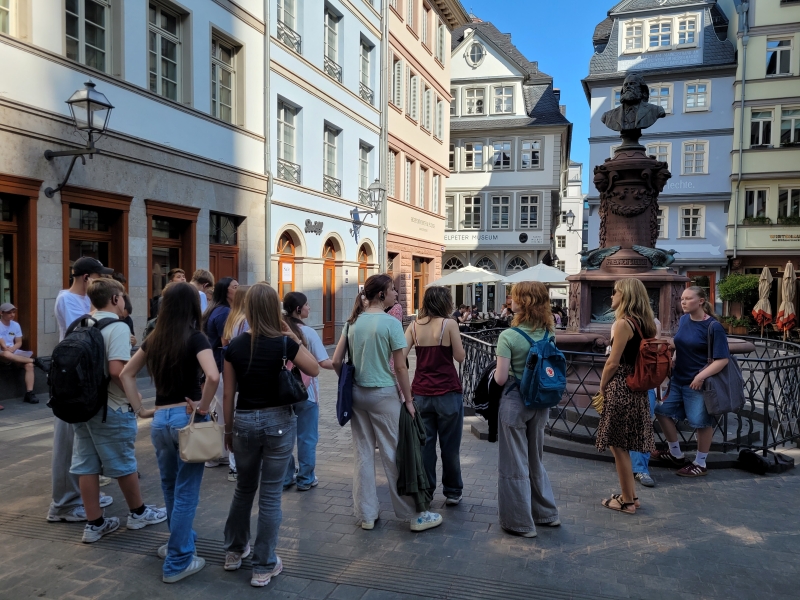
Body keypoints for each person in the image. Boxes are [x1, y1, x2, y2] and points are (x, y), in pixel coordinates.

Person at [120, 282, 219, 583]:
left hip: (160, 419)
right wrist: (203, 405)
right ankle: (178, 560)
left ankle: (179, 541)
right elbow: (213, 375)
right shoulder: (196, 337)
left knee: (170, 485)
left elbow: (126, 374)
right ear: (192, 306)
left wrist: (141, 410)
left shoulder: (154, 338)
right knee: (187, 490)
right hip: (187, 419)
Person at [221, 283, 319, 587]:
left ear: (248, 309)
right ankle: (263, 566)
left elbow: (228, 395)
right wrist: (290, 337)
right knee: (271, 496)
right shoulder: (283, 344)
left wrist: (227, 430)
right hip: (278, 423)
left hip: (245, 422)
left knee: (243, 490)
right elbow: (314, 368)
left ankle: (234, 551)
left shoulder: (234, 347)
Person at [332, 274, 442, 533]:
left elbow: (337, 361)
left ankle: (366, 514)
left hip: (358, 394)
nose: (396, 294)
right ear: (381, 295)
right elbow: (401, 367)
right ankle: (413, 514)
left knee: (363, 453)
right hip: (384, 394)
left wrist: (347, 382)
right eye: (393, 290)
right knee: (395, 453)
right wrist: (409, 400)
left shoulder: (353, 322)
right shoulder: (390, 324)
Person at [71, 278, 167, 543]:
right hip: (111, 407)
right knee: (124, 462)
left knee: (86, 465)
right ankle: (138, 513)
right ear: (115, 299)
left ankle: (94, 524)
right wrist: (137, 402)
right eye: (122, 297)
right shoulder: (117, 327)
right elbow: (117, 371)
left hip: (83, 407)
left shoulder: (81, 323)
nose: (124, 301)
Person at [48, 256, 115, 524]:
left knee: (82, 442)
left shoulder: (86, 301)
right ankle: (62, 505)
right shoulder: (66, 299)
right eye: (100, 278)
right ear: (87, 278)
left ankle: (81, 495)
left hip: (86, 378)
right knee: (66, 443)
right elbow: (89, 331)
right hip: (70, 381)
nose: (105, 283)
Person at [493, 281, 560, 537]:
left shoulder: (508, 336)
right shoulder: (548, 331)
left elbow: (500, 379)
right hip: (541, 402)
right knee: (536, 459)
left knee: (514, 462)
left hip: (515, 400)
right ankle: (546, 513)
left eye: (515, 295)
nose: (511, 299)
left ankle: (520, 522)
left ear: (525, 301)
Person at [595, 278, 658, 514]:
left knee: (618, 446)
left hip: (621, 386)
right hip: (637, 389)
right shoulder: (646, 323)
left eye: (615, 292)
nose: (611, 296)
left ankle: (627, 502)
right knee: (624, 443)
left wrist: (602, 386)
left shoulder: (623, 324)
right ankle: (632, 495)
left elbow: (612, 362)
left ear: (625, 295)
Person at [654, 286, 730, 477]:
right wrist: (673, 356)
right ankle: (676, 454)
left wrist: (700, 376)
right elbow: (681, 342)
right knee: (662, 412)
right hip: (678, 379)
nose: (683, 302)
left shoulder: (713, 327)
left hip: (697, 383)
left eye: (688, 298)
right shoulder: (684, 319)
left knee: (701, 422)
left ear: (701, 301)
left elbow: (723, 359)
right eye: (682, 299)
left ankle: (700, 463)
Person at [403, 287, 466, 505]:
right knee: (450, 447)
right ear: (445, 302)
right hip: (448, 392)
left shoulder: (412, 326)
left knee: (425, 447)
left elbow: (400, 357)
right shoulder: (449, 324)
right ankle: (452, 491)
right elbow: (460, 357)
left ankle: (426, 491)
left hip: (421, 393)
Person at [282, 292, 333, 491]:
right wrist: (341, 365)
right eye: (307, 305)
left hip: (282, 393)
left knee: (284, 436)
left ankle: (286, 478)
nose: (309, 308)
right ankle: (305, 478)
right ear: (298, 309)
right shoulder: (309, 333)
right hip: (306, 392)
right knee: (307, 437)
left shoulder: (279, 330)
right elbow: (323, 362)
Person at [202, 277, 239, 468]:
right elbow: (226, 341)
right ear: (226, 291)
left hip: (215, 365)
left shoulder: (215, 309)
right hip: (223, 366)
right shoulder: (224, 312)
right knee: (226, 410)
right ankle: (223, 454)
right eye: (235, 287)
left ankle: (215, 454)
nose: (238, 289)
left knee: (218, 411)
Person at [220, 285, 251, 482]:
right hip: (246, 370)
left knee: (233, 411)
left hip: (232, 369)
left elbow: (224, 344)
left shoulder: (231, 319)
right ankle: (239, 465)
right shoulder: (246, 320)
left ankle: (233, 466)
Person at [629, 318, 662, 488]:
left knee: (642, 424)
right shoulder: (619, 321)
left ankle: (640, 468)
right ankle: (630, 463)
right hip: (625, 379)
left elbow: (655, 352)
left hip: (643, 380)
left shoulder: (651, 322)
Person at [0, 302, 46, 404]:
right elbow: (1, 341)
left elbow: (19, 342)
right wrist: (5, 348)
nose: (12, 315)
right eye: (9, 313)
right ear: (1, 313)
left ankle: (29, 393)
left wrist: (13, 348)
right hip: (2, 352)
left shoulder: (15, 325)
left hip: (13, 351)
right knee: (6, 354)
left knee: (29, 365)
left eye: (13, 312)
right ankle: (35, 360)